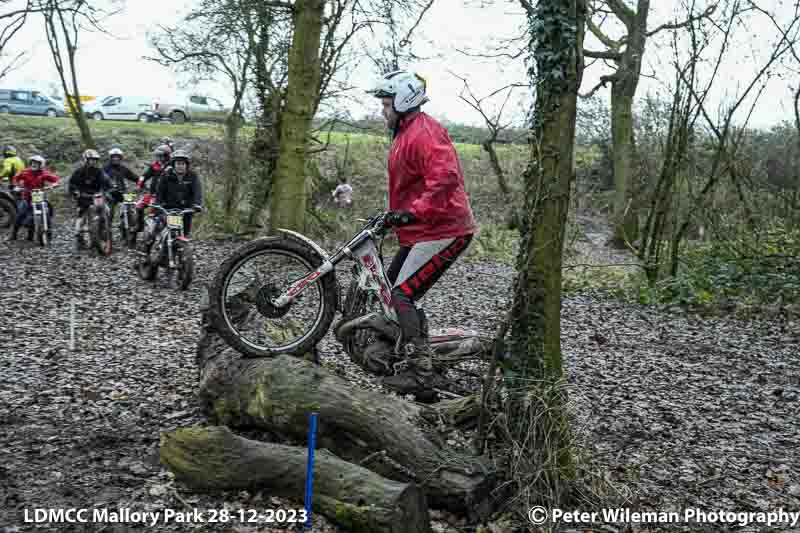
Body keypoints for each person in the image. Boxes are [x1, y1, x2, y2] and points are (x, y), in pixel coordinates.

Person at [366, 69, 477, 398]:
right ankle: (404, 356)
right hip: (424, 228)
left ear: (403, 102)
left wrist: (413, 212)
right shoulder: (405, 133)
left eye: (386, 105)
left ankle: (420, 373)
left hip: (446, 228)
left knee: (402, 294)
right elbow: (411, 186)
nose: (383, 111)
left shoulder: (425, 132)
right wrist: (393, 217)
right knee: (389, 292)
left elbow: (444, 179)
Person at [150, 149, 202, 242]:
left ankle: (179, 248)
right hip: (168, 208)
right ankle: (150, 244)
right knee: (159, 229)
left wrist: (197, 204)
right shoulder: (166, 175)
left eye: (183, 164)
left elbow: (197, 191)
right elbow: (159, 191)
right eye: (178, 164)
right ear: (173, 165)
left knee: (184, 235)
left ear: (186, 165)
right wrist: (157, 203)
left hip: (185, 210)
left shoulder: (192, 176)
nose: (180, 166)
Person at [68, 149, 114, 246]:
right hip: (83, 196)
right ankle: (78, 232)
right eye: (91, 159)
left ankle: (105, 229)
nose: (93, 162)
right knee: (81, 214)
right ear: (86, 160)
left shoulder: (98, 171)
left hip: (96, 195)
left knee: (106, 209)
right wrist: (75, 191)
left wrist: (111, 186)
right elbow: (72, 184)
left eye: (95, 160)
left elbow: (106, 179)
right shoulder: (79, 172)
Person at [10, 155, 60, 241]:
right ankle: (13, 234)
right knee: (20, 214)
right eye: (33, 162)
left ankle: (49, 234)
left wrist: (55, 184)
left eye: (36, 163)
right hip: (27, 197)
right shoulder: (25, 172)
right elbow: (15, 178)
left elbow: (56, 179)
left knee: (47, 213)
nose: (34, 164)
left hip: (40, 197)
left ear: (41, 164)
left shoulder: (44, 173)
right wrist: (16, 186)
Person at [134, 144, 171, 233]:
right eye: (158, 156)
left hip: (166, 196)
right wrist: (139, 184)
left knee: (154, 213)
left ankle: (156, 232)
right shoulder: (155, 165)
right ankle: (140, 226)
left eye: (161, 156)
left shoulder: (172, 166)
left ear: (166, 156)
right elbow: (144, 176)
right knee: (139, 206)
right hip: (152, 194)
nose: (159, 158)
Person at [104, 147, 138, 225]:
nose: (116, 159)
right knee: (110, 211)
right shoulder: (105, 168)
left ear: (120, 158)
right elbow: (100, 180)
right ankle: (108, 227)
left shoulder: (123, 168)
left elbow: (134, 177)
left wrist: (142, 183)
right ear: (111, 158)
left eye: (118, 157)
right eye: (114, 157)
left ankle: (130, 223)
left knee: (131, 204)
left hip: (123, 191)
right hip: (110, 193)